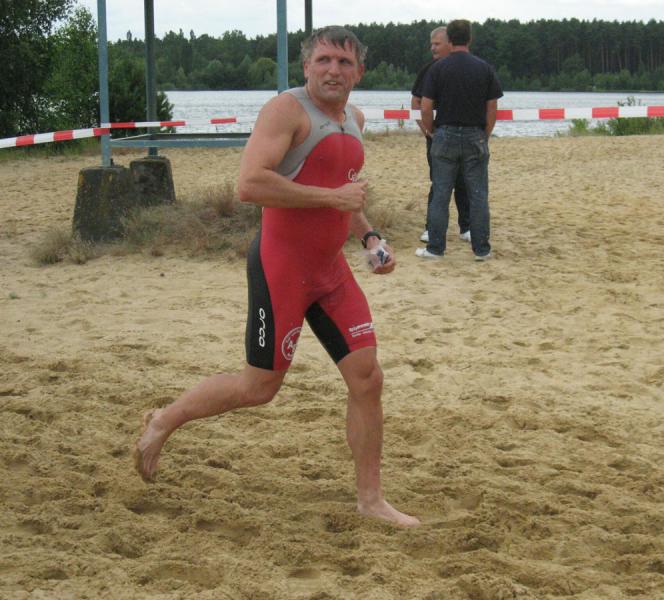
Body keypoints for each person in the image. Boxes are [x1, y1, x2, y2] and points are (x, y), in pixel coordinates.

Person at [133, 26, 420, 529]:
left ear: (359, 72)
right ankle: (164, 419)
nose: (333, 70)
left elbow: (345, 191)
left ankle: (371, 500)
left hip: (330, 272)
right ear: (306, 66)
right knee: (259, 387)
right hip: (281, 267)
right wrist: (333, 199)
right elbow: (249, 184)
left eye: (344, 62)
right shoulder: (286, 111)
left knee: (367, 378)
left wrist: (370, 237)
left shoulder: (354, 119)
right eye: (324, 60)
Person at [416, 19, 503, 261]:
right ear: (470, 39)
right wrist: (485, 134)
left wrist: (431, 131)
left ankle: (435, 248)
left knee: (440, 194)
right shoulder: (484, 68)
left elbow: (425, 106)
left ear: (450, 40)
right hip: (475, 135)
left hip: (445, 134)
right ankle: (482, 249)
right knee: (478, 195)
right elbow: (492, 108)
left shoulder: (437, 69)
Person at [411, 26, 470, 245]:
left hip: (464, 134)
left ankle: (467, 227)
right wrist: (427, 131)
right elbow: (416, 103)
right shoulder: (428, 70)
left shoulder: (467, 67)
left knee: (463, 182)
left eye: (437, 44)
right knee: (439, 183)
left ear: (450, 43)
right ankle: (432, 228)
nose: (432, 48)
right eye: (431, 44)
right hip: (437, 137)